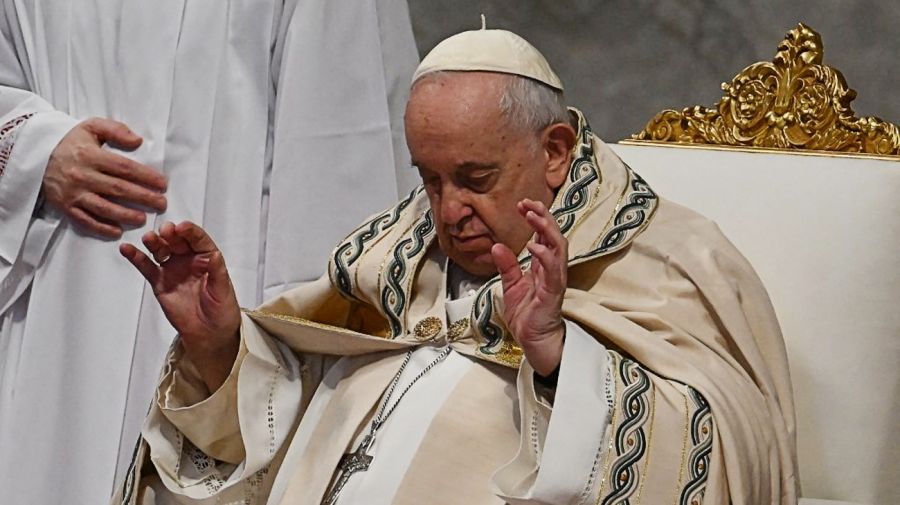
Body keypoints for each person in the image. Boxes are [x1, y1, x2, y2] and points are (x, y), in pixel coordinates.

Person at [117, 28, 798, 505]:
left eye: (475, 176)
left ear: (555, 150)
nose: (448, 209)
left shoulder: (669, 257)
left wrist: (559, 357)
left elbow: (725, 457)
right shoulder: (390, 262)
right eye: (431, 178)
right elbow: (274, 439)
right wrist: (221, 348)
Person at [0, 1, 418, 503]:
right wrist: (31, 150)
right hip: (54, 295)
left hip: (226, 291)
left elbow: (342, 156)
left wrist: (268, 365)